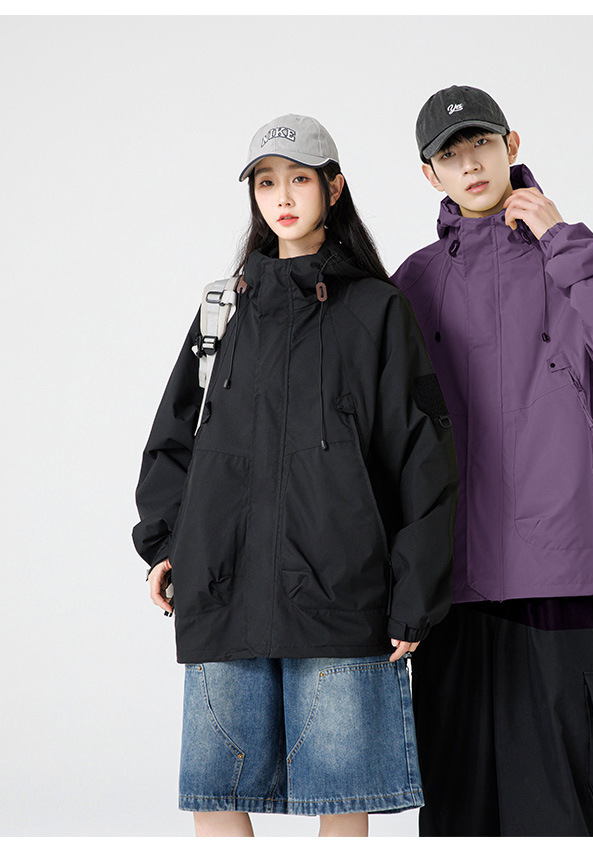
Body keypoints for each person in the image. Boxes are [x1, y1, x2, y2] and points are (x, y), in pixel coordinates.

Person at [132, 114, 458, 838]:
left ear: (333, 188)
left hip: (341, 597)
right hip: (225, 591)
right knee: (216, 793)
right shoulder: (223, 309)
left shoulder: (377, 310)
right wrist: (165, 544)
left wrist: (414, 593)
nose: (282, 197)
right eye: (266, 183)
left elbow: (422, 457)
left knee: (341, 797)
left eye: (300, 179)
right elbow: (173, 439)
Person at [390, 85, 593, 837]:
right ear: (430, 175)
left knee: (565, 809)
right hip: (449, 586)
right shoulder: (414, 282)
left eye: (481, 144)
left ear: (511, 145)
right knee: (459, 810)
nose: (471, 165)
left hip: (554, 577)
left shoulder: (569, 258)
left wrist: (563, 239)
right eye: (450, 155)